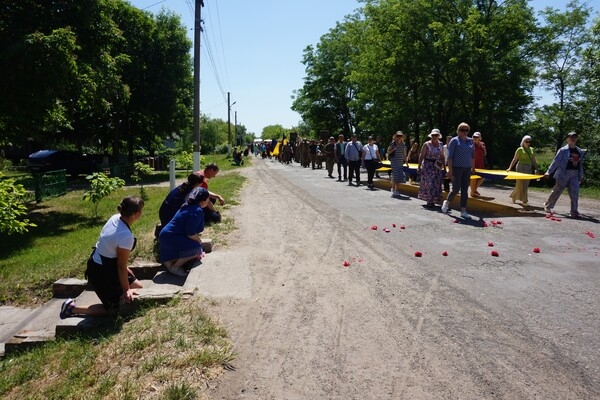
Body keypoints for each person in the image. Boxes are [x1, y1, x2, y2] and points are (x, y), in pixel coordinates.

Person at [60, 196, 145, 319]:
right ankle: (71, 308)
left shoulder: (115, 218)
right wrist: (126, 290)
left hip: (106, 263)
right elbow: (121, 265)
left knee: (138, 288)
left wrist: (126, 274)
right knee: (115, 310)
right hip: (100, 272)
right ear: (136, 214)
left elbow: (110, 249)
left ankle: (118, 293)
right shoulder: (125, 236)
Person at [159, 187, 210, 277]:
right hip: (172, 237)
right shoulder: (197, 211)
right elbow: (190, 233)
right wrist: (199, 241)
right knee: (197, 248)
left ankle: (169, 261)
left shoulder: (187, 206)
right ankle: (175, 267)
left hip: (167, 235)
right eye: (208, 199)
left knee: (195, 247)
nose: (208, 201)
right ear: (202, 201)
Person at [543, 132, 585, 217]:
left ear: (576, 139)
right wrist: (548, 171)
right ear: (567, 139)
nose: (573, 139)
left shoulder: (579, 151)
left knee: (575, 193)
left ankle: (574, 212)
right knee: (557, 191)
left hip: (574, 174)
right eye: (571, 137)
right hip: (563, 173)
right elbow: (555, 161)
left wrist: (581, 174)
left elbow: (580, 164)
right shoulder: (563, 150)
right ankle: (548, 205)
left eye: (574, 137)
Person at [442, 122, 475, 219]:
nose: (464, 132)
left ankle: (463, 210)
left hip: (467, 168)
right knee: (456, 188)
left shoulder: (470, 141)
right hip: (457, 168)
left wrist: (473, 167)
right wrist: (450, 170)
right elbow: (450, 157)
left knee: (465, 190)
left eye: (466, 130)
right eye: (462, 130)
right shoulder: (454, 141)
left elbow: (472, 156)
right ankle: (447, 202)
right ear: (458, 130)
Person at [507, 135, 539, 205]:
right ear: (523, 141)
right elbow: (514, 159)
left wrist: (537, 168)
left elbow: (533, 160)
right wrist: (510, 168)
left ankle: (522, 200)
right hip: (520, 167)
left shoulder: (532, 149)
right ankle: (520, 199)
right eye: (526, 141)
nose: (528, 143)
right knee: (519, 184)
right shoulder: (520, 149)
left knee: (526, 184)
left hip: (528, 168)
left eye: (529, 141)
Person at [417, 129, 446, 207]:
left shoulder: (441, 144)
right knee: (429, 183)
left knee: (436, 183)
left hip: (437, 166)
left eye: (436, 135)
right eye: (433, 135)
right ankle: (429, 200)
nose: (434, 137)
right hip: (428, 166)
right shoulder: (426, 144)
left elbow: (442, 156)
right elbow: (421, 156)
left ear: (438, 136)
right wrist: (419, 167)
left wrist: (444, 167)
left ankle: (435, 199)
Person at [387, 131, 407, 198]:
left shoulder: (403, 145)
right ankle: (396, 190)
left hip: (400, 162)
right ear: (395, 137)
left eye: (400, 136)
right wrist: (394, 149)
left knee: (396, 176)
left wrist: (406, 162)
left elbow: (404, 154)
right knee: (396, 176)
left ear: (402, 137)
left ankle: (393, 189)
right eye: (398, 136)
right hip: (394, 162)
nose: (399, 137)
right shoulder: (392, 144)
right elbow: (388, 152)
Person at [470, 132, 487, 197]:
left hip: (481, 164)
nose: (475, 138)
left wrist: (483, 148)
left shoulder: (482, 144)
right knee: (474, 178)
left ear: (479, 138)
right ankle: (472, 192)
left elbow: (484, 154)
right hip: (473, 164)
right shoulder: (471, 144)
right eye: (474, 137)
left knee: (483, 177)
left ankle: (474, 190)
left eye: (476, 137)